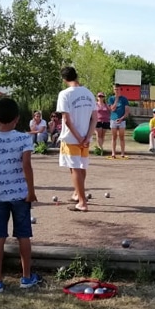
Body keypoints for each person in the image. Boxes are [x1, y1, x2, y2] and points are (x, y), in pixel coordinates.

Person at [0, 97, 41, 293]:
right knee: (23, 235)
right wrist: (31, 191)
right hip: (21, 195)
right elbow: (26, 166)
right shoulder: (24, 138)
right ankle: (26, 277)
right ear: (17, 118)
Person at [57, 66, 97, 212]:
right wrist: (87, 136)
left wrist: (79, 137)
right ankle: (77, 194)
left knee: (75, 168)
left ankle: (82, 202)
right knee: (81, 166)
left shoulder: (64, 94)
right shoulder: (89, 93)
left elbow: (66, 120)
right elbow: (95, 118)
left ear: (64, 79)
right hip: (85, 138)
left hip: (71, 137)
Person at [108, 83, 130, 158]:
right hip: (113, 119)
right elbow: (112, 109)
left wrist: (121, 118)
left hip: (122, 120)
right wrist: (116, 100)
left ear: (120, 89)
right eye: (115, 89)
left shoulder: (124, 99)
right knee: (114, 137)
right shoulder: (111, 99)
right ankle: (113, 153)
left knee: (121, 137)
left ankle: (122, 153)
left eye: (117, 89)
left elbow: (127, 111)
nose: (116, 91)